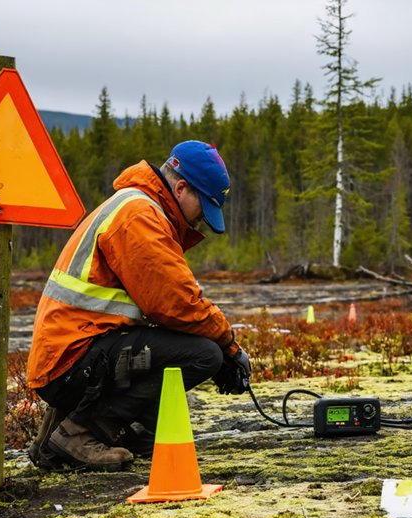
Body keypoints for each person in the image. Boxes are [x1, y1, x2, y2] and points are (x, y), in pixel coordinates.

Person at [26, 140, 252, 471]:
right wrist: (229, 347)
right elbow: (177, 304)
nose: (202, 219)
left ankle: (54, 439)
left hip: (69, 358)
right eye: (203, 206)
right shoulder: (140, 216)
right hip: (72, 364)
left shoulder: (135, 206)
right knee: (205, 356)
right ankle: (79, 432)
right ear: (181, 187)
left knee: (150, 437)